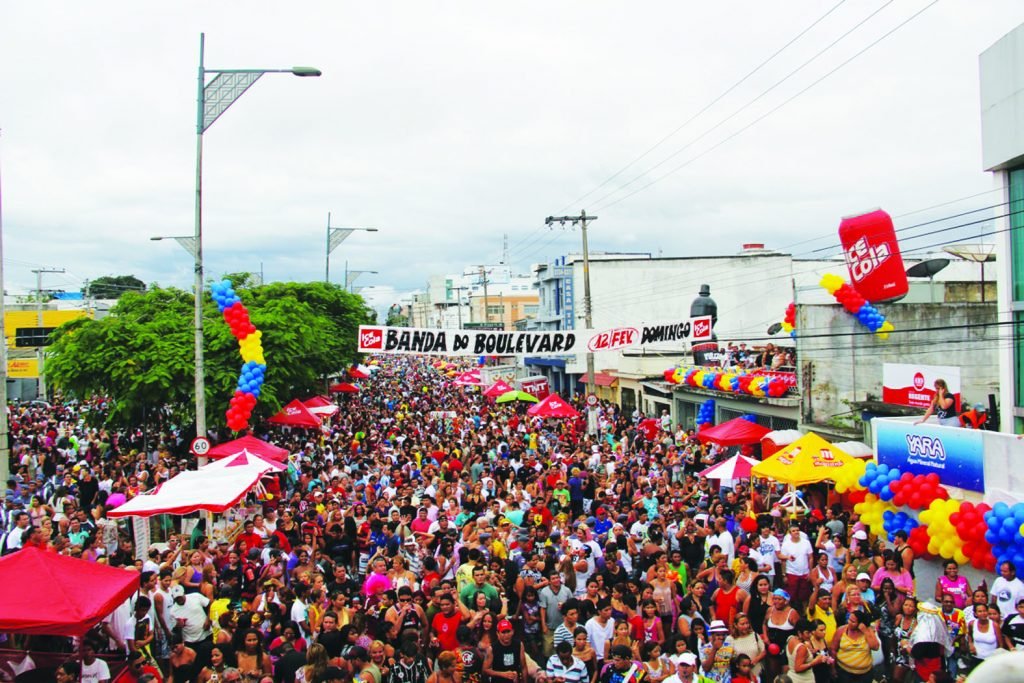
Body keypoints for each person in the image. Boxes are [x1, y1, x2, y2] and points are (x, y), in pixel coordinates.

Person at [830, 610, 879, 683]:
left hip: (864, 674)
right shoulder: (841, 630)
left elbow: (875, 647)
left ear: (860, 623)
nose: (849, 623)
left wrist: (865, 631)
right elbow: (833, 650)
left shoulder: (868, 631)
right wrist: (833, 668)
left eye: (853, 622)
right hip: (844, 672)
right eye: (849, 619)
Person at [484, 619, 526, 683]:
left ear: (512, 632)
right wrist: (503, 674)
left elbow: (524, 667)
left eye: (508, 631)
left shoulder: (519, 645)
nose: (506, 635)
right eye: (503, 632)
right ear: (498, 634)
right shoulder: (492, 648)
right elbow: (485, 670)